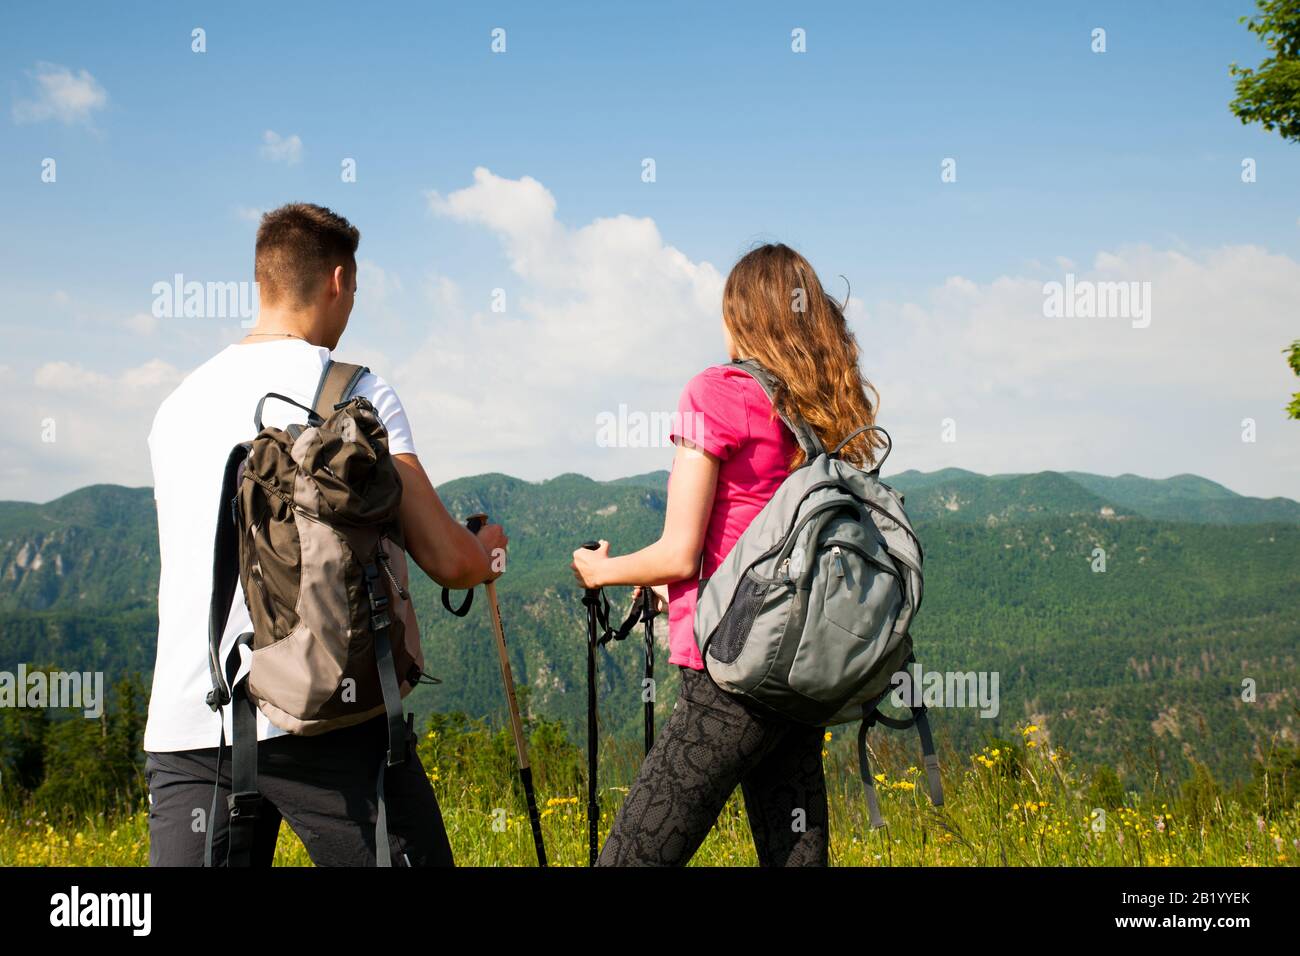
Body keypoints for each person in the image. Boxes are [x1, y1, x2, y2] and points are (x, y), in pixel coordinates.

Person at [145, 203, 507, 866]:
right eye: (356, 291)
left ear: (261, 281)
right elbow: (447, 559)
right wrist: (488, 554)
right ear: (338, 280)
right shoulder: (355, 394)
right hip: (331, 717)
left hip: (192, 726)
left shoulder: (176, 406)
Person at [571, 243, 884, 866]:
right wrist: (667, 589)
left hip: (729, 677)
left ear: (741, 315)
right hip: (799, 674)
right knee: (793, 854)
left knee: (632, 856)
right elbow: (761, 545)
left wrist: (600, 570)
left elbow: (681, 554)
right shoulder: (815, 414)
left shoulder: (717, 391)